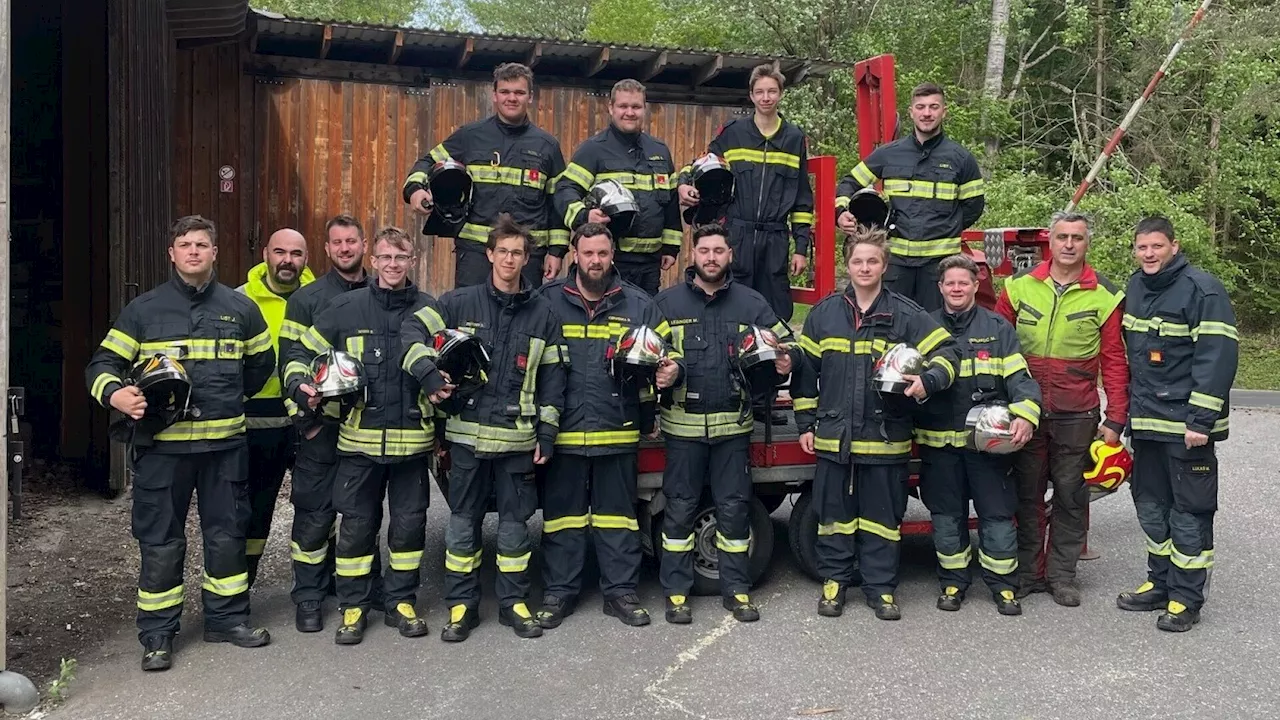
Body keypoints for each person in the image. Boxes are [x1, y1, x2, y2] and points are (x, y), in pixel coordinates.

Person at [84, 215, 275, 671]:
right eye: (185, 244)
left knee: (227, 536)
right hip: (163, 452)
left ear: (214, 252)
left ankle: (227, 620)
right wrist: (117, 394)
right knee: (161, 542)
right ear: (171, 253)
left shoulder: (241, 309)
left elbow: (260, 367)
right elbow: (101, 364)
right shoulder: (143, 310)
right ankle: (157, 635)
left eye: (202, 244)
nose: (193, 251)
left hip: (223, 451)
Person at [401, 213, 567, 642]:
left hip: (517, 441)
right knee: (462, 525)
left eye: (518, 252)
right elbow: (412, 330)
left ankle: (514, 604)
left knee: (514, 528)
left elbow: (552, 379)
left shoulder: (544, 315)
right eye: (503, 251)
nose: (510, 259)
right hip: (467, 440)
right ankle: (462, 606)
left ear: (527, 258)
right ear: (489, 254)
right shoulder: (457, 303)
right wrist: (428, 374)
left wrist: (547, 433)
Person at [792, 226, 960, 621]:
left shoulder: (907, 314)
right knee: (833, 520)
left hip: (886, 441)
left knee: (883, 522)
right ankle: (834, 585)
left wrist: (928, 380)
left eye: (872, 261)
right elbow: (805, 374)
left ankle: (881, 590)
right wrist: (805, 423)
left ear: (884, 265)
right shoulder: (824, 314)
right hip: (835, 441)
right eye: (857, 261)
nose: (864, 267)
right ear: (847, 266)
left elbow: (948, 352)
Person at [283, 227, 440, 645]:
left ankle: (401, 601)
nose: (392, 265)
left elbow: (449, 361)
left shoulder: (429, 310)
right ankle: (354, 606)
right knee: (356, 526)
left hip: (412, 445)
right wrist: (301, 385)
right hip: (357, 443)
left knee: (409, 527)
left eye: (401, 258)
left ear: (412, 261)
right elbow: (300, 351)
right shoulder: (345, 308)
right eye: (386, 258)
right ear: (374, 261)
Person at [534, 223, 683, 629]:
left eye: (602, 253)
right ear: (574, 255)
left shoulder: (638, 304)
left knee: (617, 518)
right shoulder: (546, 303)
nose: (595, 261)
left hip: (618, 430)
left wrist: (673, 371)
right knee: (562, 518)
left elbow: (671, 353)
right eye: (588, 254)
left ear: (612, 254)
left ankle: (620, 593)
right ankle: (559, 593)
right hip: (563, 433)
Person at [652, 223, 798, 623]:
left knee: (734, 511)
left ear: (730, 255)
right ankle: (677, 593)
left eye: (719, 250)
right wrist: (661, 373)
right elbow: (648, 358)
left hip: (734, 429)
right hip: (682, 429)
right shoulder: (666, 305)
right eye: (704, 250)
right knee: (679, 512)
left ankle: (737, 591)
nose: (711, 257)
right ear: (692, 255)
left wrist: (787, 361)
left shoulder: (752, 304)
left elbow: (790, 344)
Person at [995, 211, 1129, 606]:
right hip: (1027, 411)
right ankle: (1029, 573)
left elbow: (1115, 362)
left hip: (1078, 413)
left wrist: (1115, 419)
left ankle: (1063, 577)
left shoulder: (1106, 294)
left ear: (1088, 243)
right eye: (1062, 237)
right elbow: (997, 346)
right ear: (1049, 243)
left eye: (1077, 238)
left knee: (1072, 497)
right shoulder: (1018, 286)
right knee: (1027, 495)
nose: (1069, 244)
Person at [1117, 216, 1237, 632]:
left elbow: (1216, 358)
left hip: (1188, 427)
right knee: (1151, 510)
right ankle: (1160, 583)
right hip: (1148, 424)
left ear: (1174, 246)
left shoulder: (1203, 290)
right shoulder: (1134, 287)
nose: (1149, 254)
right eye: (1142, 247)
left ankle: (1186, 598)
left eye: (1156, 246)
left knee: (1188, 513)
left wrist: (1201, 419)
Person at [914, 254, 1041, 615]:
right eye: (950, 283)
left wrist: (1026, 417)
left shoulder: (998, 329)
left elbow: (1021, 380)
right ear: (940, 287)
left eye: (963, 282)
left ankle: (1003, 586)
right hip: (940, 449)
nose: (956, 288)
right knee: (947, 518)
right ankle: (953, 583)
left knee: (998, 517)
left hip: (988, 449)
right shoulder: (924, 327)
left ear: (974, 286)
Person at [279, 215, 379, 633]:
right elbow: (289, 360)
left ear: (363, 244)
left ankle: (360, 586)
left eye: (351, 241)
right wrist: (305, 415)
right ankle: (309, 595)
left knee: (362, 513)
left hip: (366, 426)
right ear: (326, 249)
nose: (344, 249)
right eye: (336, 243)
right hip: (322, 427)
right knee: (314, 515)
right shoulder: (307, 298)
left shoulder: (382, 291)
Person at [403, 62, 569, 290]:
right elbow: (427, 162)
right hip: (476, 254)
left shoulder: (547, 146)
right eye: (505, 92)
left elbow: (557, 203)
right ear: (494, 95)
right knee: (470, 320)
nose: (512, 98)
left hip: (526, 255)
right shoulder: (470, 136)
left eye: (519, 92)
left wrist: (556, 251)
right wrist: (415, 190)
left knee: (524, 321)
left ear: (530, 97)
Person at [677, 64, 813, 324]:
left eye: (772, 91)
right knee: (730, 303)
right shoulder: (734, 133)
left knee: (775, 311)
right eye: (760, 91)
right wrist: (684, 183)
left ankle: (773, 360)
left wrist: (801, 248)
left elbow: (802, 198)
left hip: (775, 238)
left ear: (781, 94)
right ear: (751, 95)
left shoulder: (794, 138)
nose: (766, 97)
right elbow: (701, 164)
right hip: (737, 233)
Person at [836, 82, 985, 311]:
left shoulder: (961, 159)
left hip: (939, 266)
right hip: (896, 265)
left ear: (944, 112)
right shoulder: (889, 154)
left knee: (935, 329)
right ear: (911, 112)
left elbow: (973, 206)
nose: (927, 113)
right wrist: (841, 211)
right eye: (921, 107)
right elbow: (849, 182)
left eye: (934, 107)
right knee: (887, 323)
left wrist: (945, 228)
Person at [236, 228, 315, 588]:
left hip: (311, 415)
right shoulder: (240, 302)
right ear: (266, 253)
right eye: (280, 252)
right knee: (253, 510)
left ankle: (318, 587)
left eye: (296, 253)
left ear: (306, 258)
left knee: (317, 507)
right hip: (259, 420)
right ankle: (238, 591)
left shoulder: (322, 298)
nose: (287, 260)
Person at [554, 80, 683, 296]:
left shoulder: (660, 151)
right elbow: (564, 190)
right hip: (610, 260)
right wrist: (585, 216)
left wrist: (671, 247)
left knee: (643, 324)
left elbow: (670, 203)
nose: (629, 112)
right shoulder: (593, 150)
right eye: (623, 106)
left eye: (636, 107)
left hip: (650, 265)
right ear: (611, 108)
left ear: (644, 108)